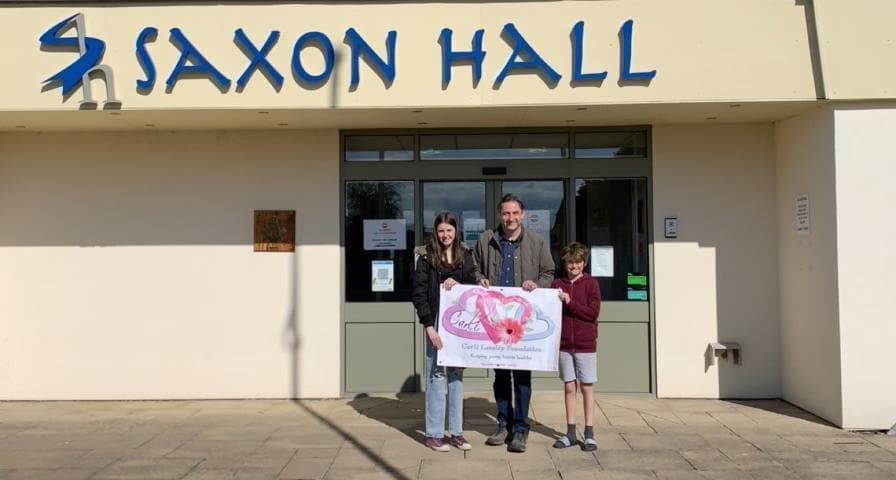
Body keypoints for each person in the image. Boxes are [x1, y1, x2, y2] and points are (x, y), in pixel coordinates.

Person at [473, 193, 555, 453]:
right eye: (506, 213)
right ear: (500, 215)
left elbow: (549, 272)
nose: (511, 218)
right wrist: (479, 279)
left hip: (523, 321)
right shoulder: (486, 240)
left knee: (521, 377)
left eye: (515, 213)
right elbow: (474, 268)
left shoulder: (536, 242)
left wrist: (537, 284)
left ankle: (520, 428)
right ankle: (503, 424)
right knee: (500, 375)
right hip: (495, 320)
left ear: (523, 214)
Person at [412, 212, 477, 452]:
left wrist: (459, 285)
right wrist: (429, 327)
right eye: (441, 230)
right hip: (436, 322)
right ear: (435, 232)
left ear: (455, 231)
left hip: (458, 323)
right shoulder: (426, 257)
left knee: (456, 376)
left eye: (449, 230)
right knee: (436, 375)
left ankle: (457, 432)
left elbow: (472, 285)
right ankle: (434, 434)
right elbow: (419, 294)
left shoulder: (465, 254)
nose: (445, 235)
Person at [551, 242, 601, 451]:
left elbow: (592, 313)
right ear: (565, 263)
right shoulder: (556, 284)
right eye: (570, 262)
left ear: (584, 263)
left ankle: (589, 433)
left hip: (585, 344)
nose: (574, 266)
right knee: (569, 387)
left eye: (578, 262)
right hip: (564, 344)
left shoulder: (591, 284)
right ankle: (570, 432)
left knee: (586, 387)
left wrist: (570, 303)